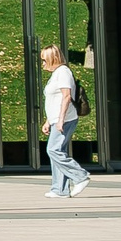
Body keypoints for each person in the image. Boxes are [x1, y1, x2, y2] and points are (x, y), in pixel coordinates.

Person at [41, 45, 89, 199]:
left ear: (51, 59)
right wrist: (48, 121)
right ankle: (59, 189)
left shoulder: (63, 72)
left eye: (44, 60)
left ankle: (80, 176)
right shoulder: (56, 74)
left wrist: (60, 120)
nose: (42, 64)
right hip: (56, 119)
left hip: (65, 119)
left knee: (53, 150)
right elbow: (53, 100)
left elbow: (66, 97)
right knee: (57, 152)